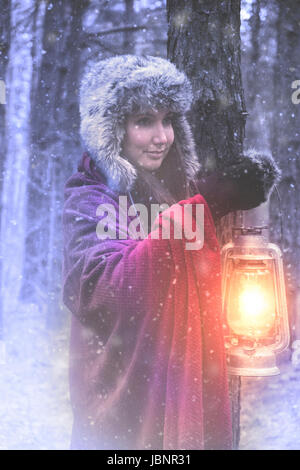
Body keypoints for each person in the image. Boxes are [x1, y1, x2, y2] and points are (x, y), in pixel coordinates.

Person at [62, 55, 280, 450]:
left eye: (168, 120)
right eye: (143, 121)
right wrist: (207, 204)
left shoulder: (170, 190)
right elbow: (112, 284)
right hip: (119, 416)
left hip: (174, 391)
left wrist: (222, 193)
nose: (161, 136)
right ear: (112, 131)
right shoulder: (89, 196)